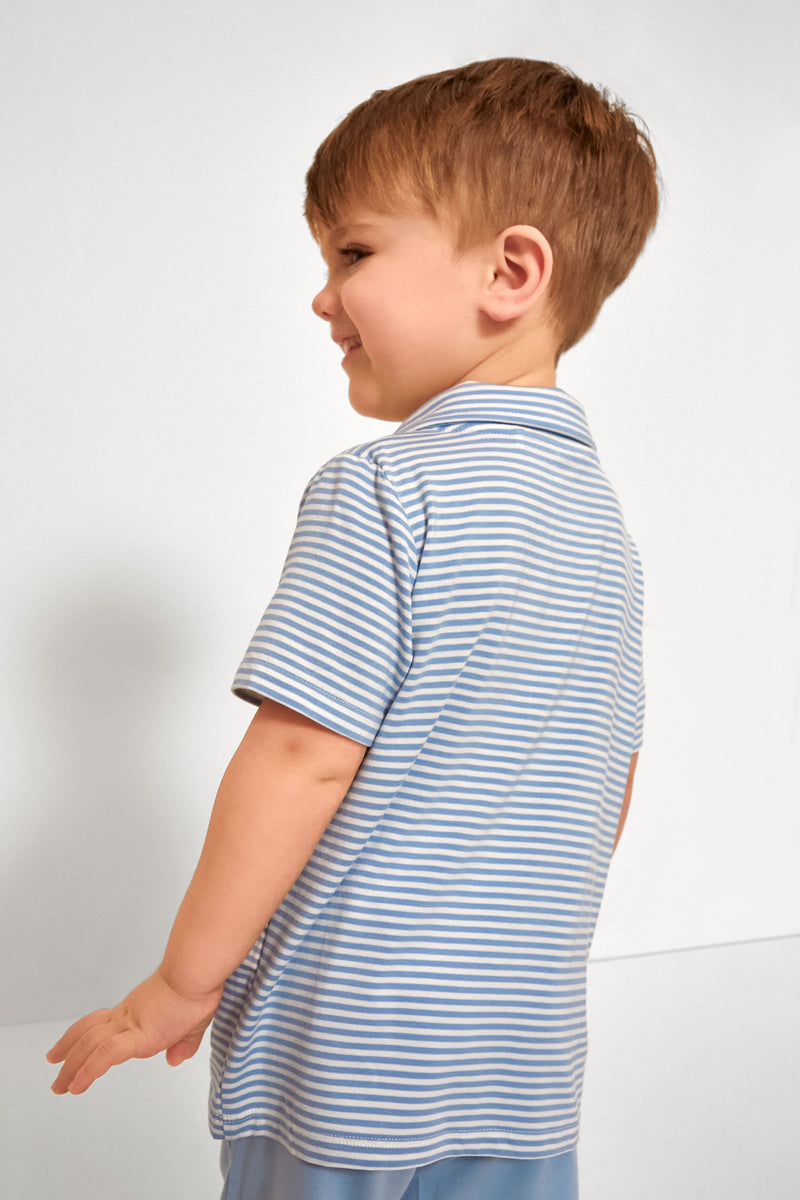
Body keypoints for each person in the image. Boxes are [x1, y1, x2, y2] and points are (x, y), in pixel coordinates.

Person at [48, 58, 659, 1200]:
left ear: (509, 272)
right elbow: (606, 779)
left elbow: (301, 755)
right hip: (521, 1043)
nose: (322, 298)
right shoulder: (604, 534)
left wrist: (182, 983)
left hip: (354, 1041)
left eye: (354, 253)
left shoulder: (387, 490)